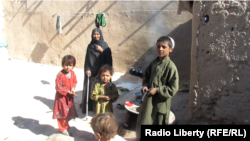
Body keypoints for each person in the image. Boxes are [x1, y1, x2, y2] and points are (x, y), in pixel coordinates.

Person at [136, 36, 179, 140]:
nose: (160, 49)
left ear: (170, 49)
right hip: (149, 102)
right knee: (145, 123)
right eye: (158, 46)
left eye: (164, 47)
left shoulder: (171, 67)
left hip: (160, 105)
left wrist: (158, 90)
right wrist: (145, 86)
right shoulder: (154, 63)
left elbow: (173, 88)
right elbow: (146, 76)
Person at [81, 28, 113, 114]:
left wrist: (101, 50)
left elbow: (109, 58)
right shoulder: (90, 46)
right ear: (92, 35)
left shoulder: (105, 45)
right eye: (94, 34)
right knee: (92, 90)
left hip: (102, 72)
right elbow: (87, 60)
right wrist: (87, 69)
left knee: (102, 90)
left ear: (100, 35)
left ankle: (102, 107)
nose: (96, 36)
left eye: (97, 34)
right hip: (92, 72)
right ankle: (91, 106)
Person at [52, 55, 78, 136]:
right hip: (61, 98)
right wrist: (67, 91)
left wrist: (73, 88)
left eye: (70, 65)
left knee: (68, 112)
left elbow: (74, 81)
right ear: (63, 64)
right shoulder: (60, 75)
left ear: (73, 65)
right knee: (62, 113)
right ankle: (62, 128)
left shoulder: (72, 73)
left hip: (69, 98)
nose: (68, 67)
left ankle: (65, 124)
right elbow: (58, 87)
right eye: (66, 65)